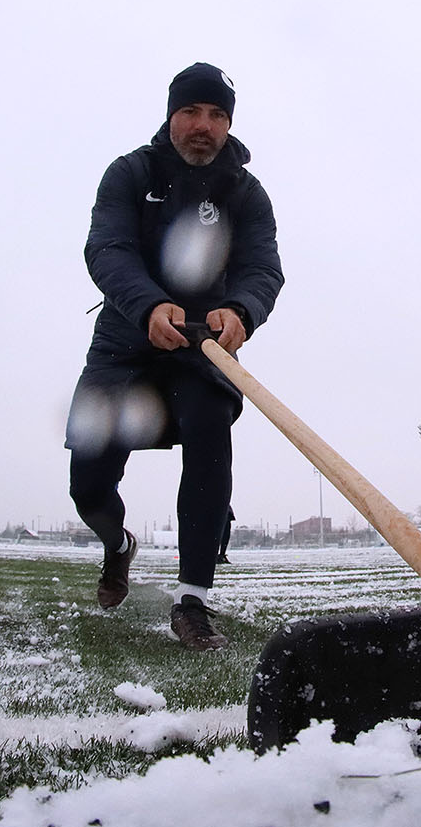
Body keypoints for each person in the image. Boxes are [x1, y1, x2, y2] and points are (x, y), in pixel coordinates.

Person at [64, 63, 284, 652]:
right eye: (191, 111)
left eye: (216, 115)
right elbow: (106, 249)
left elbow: (264, 268)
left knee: (211, 433)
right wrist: (148, 305)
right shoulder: (130, 173)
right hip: (125, 341)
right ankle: (117, 546)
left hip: (203, 347)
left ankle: (193, 602)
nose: (202, 126)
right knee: (87, 484)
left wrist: (240, 310)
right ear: (171, 115)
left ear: (229, 123)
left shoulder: (247, 193)